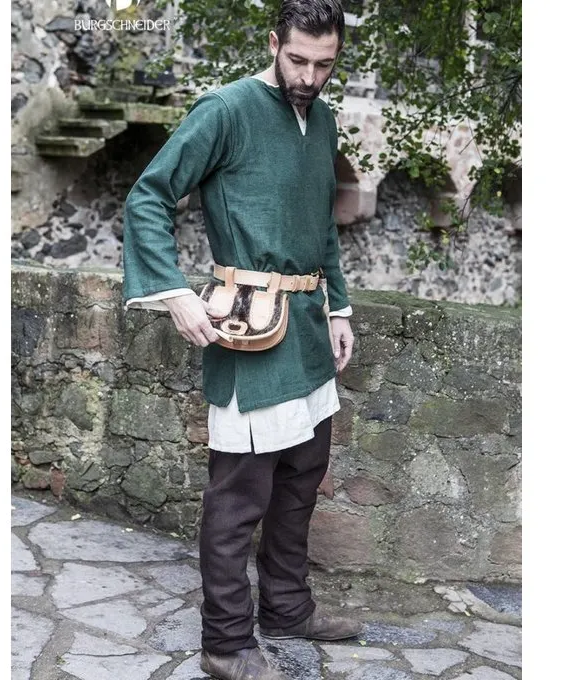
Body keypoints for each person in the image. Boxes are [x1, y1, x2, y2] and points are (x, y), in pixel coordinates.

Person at [122, 1, 360, 678]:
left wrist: (339, 308)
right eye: (297, 60)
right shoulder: (224, 110)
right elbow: (148, 195)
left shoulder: (323, 118)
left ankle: (287, 608)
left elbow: (321, 225)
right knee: (237, 500)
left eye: (324, 64)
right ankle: (225, 644)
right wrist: (173, 291)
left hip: (308, 331)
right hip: (249, 327)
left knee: (300, 482)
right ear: (273, 43)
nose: (309, 77)